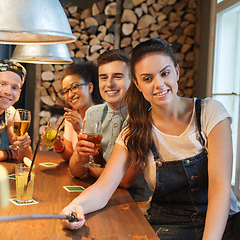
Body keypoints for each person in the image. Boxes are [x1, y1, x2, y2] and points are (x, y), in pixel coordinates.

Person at [61, 39, 239, 239]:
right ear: (136, 84)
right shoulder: (135, 128)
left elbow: (220, 189)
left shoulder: (209, 113)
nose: (159, 84)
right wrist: (75, 206)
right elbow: (103, 189)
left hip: (223, 223)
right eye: (147, 78)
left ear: (177, 72)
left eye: (165, 73)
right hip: (168, 226)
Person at [69, 50, 151, 204]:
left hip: (138, 204)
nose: (109, 84)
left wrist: (93, 171)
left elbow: (126, 180)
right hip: (102, 195)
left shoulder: (144, 116)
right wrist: (80, 156)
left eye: (117, 77)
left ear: (132, 81)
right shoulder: (93, 113)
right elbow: (76, 171)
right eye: (104, 77)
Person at [47, 62, 103, 161]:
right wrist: (59, 145)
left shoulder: (105, 115)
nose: (70, 95)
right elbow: (71, 157)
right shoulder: (72, 117)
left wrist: (80, 130)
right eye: (65, 91)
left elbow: (99, 160)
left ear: (90, 87)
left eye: (74, 87)